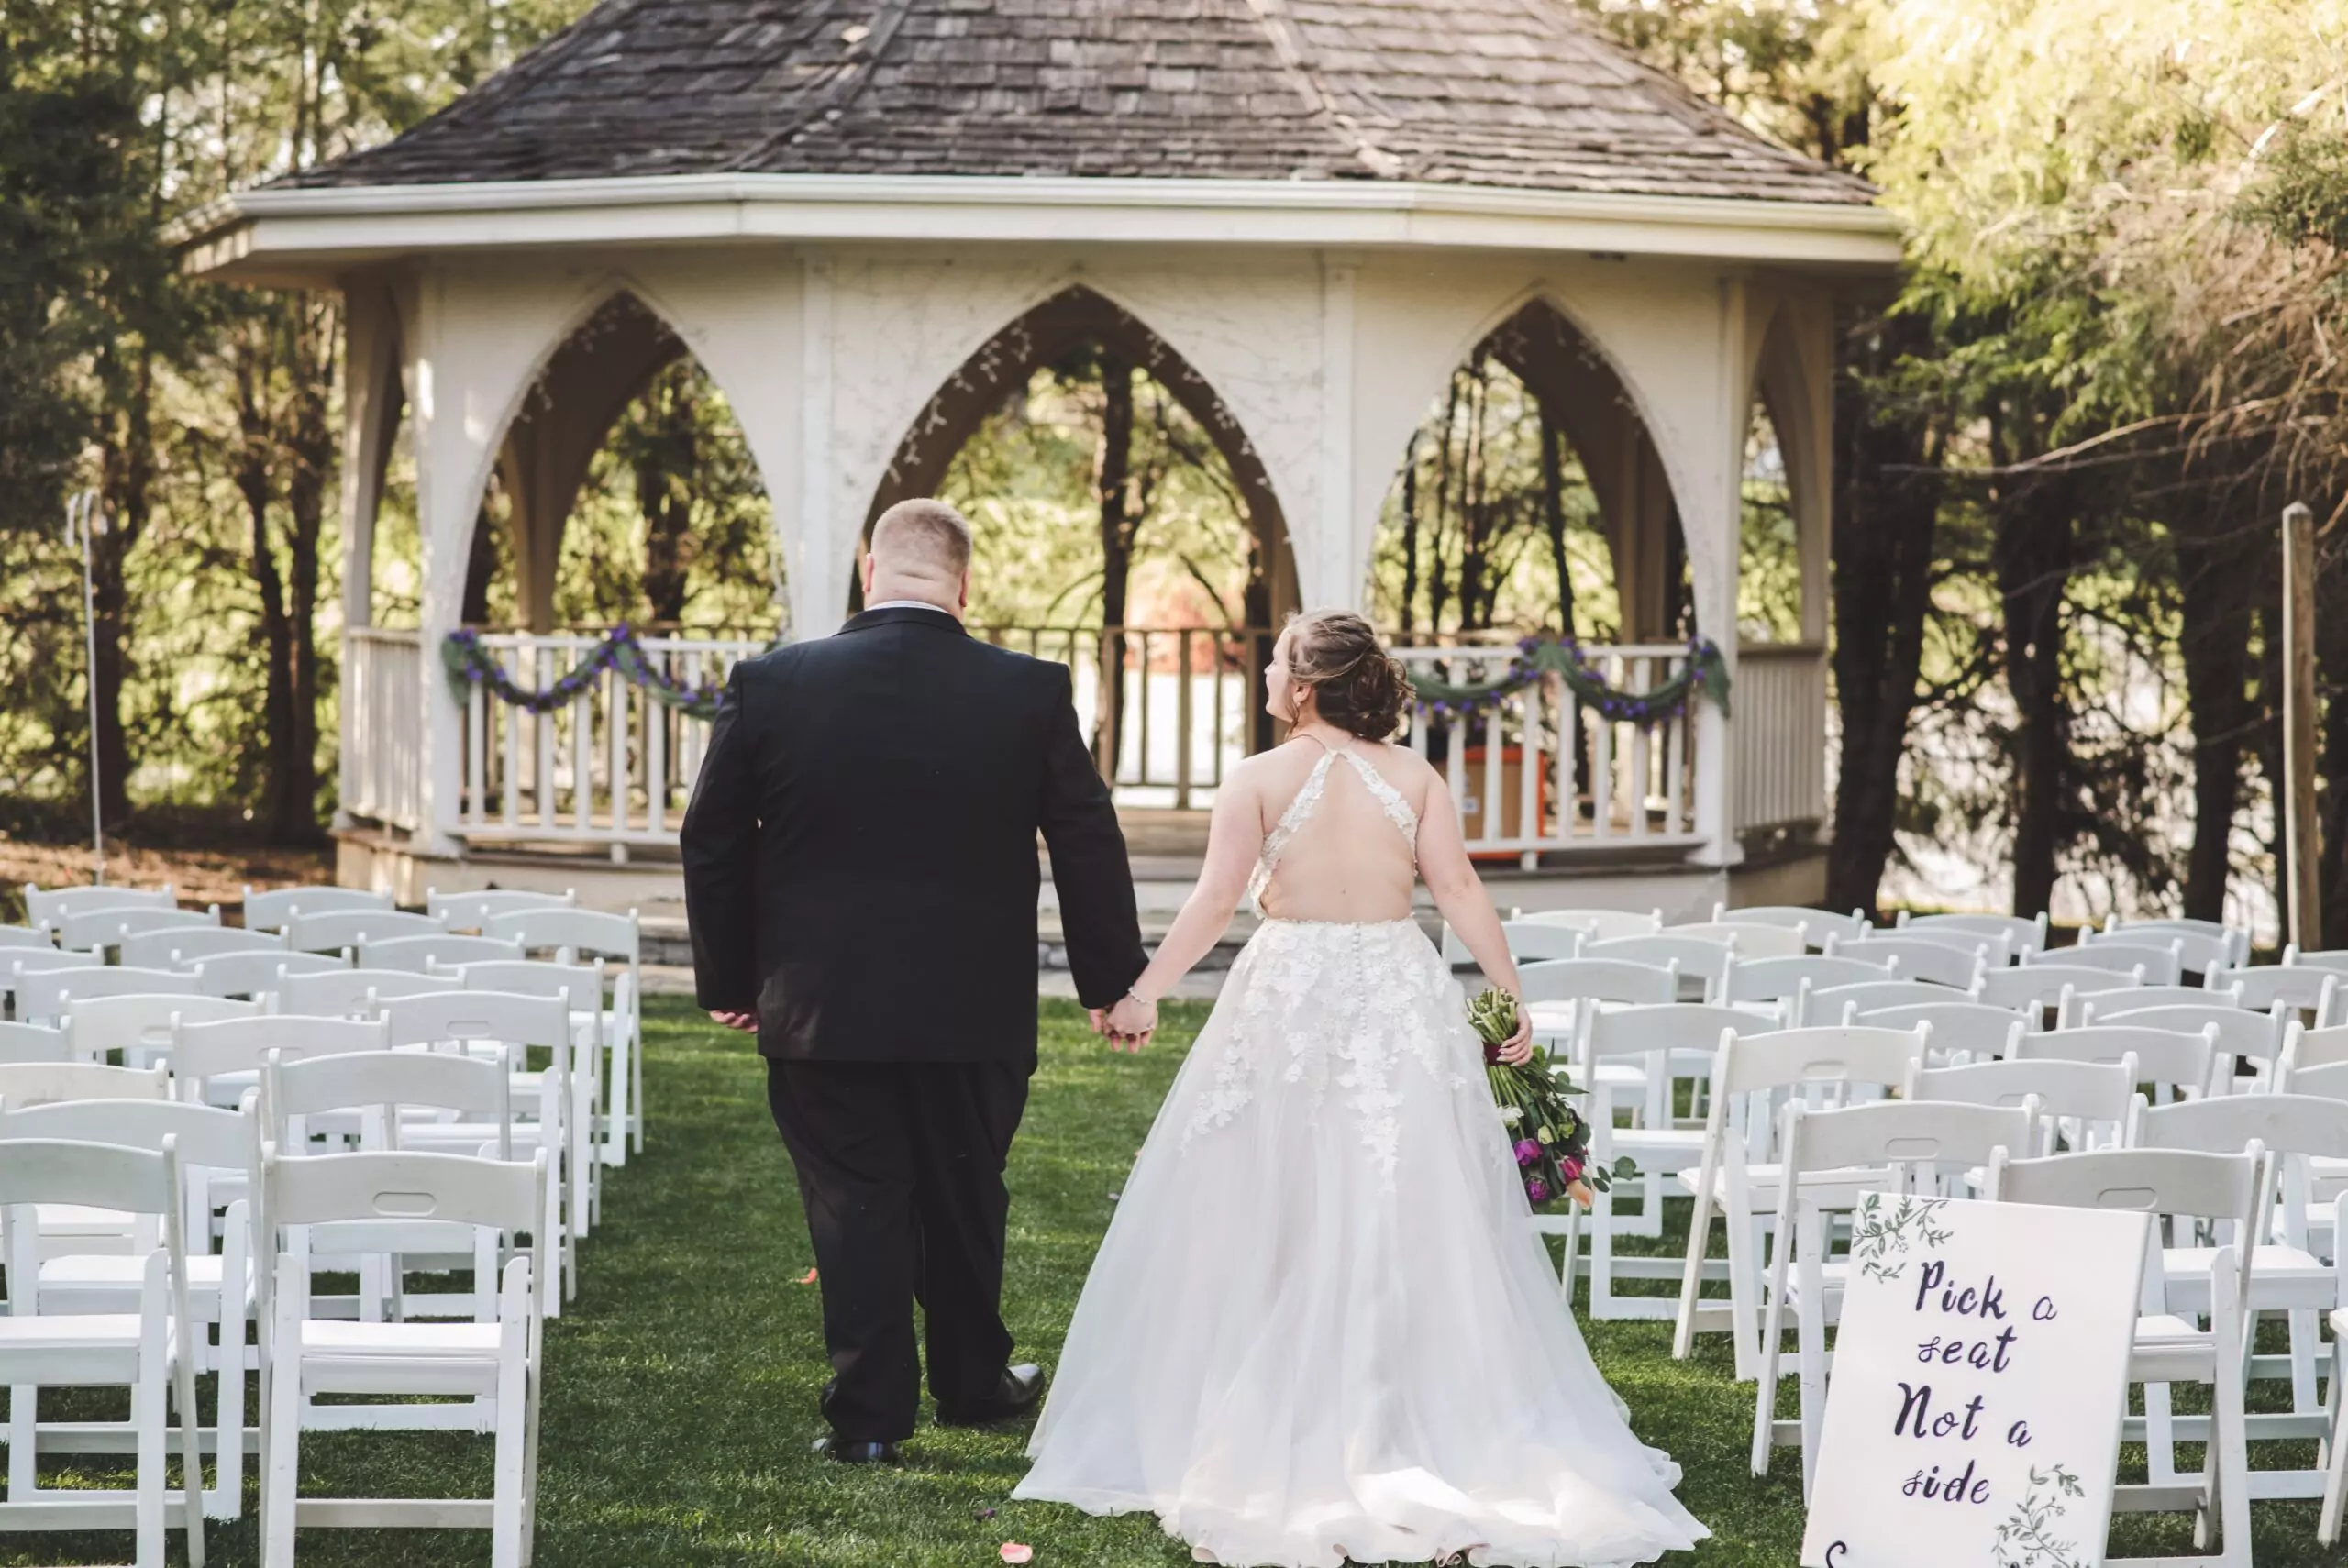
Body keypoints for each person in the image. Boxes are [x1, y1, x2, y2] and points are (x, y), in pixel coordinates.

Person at [1013, 610, 1708, 1566]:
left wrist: (1141, 995)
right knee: (1404, 1198)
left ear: (1302, 687)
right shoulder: (1412, 776)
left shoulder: (1258, 778)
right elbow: (1459, 891)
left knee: (1270, 1196)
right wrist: (1509, 998)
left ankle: (1273, 1412)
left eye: (1275, 662)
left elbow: (1216, 901)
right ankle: (1417, 1409)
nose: (1263, 671)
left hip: (1289, 994)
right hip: (1395, 990)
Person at [681, 497, 1155, 1465]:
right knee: (967, 1195)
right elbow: (1085, 837)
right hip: (972, 1005)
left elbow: (713, 838)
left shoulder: (773, 684)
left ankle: (868, 1423)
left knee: (852, 1207)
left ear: (869, 572)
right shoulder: (1028, 689)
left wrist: (730, 976)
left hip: (820, 1006)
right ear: (964, 585)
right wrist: (1109, 981)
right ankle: (975, 1386)